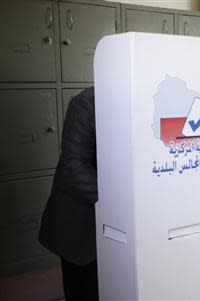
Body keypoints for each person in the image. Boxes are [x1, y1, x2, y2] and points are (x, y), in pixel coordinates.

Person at [39, 87, 99, 301]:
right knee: (84, 291)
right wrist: (122, 200)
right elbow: (73, 166)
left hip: (120, 228)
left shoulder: (148, 99)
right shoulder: (86, 103)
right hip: (80, 226)